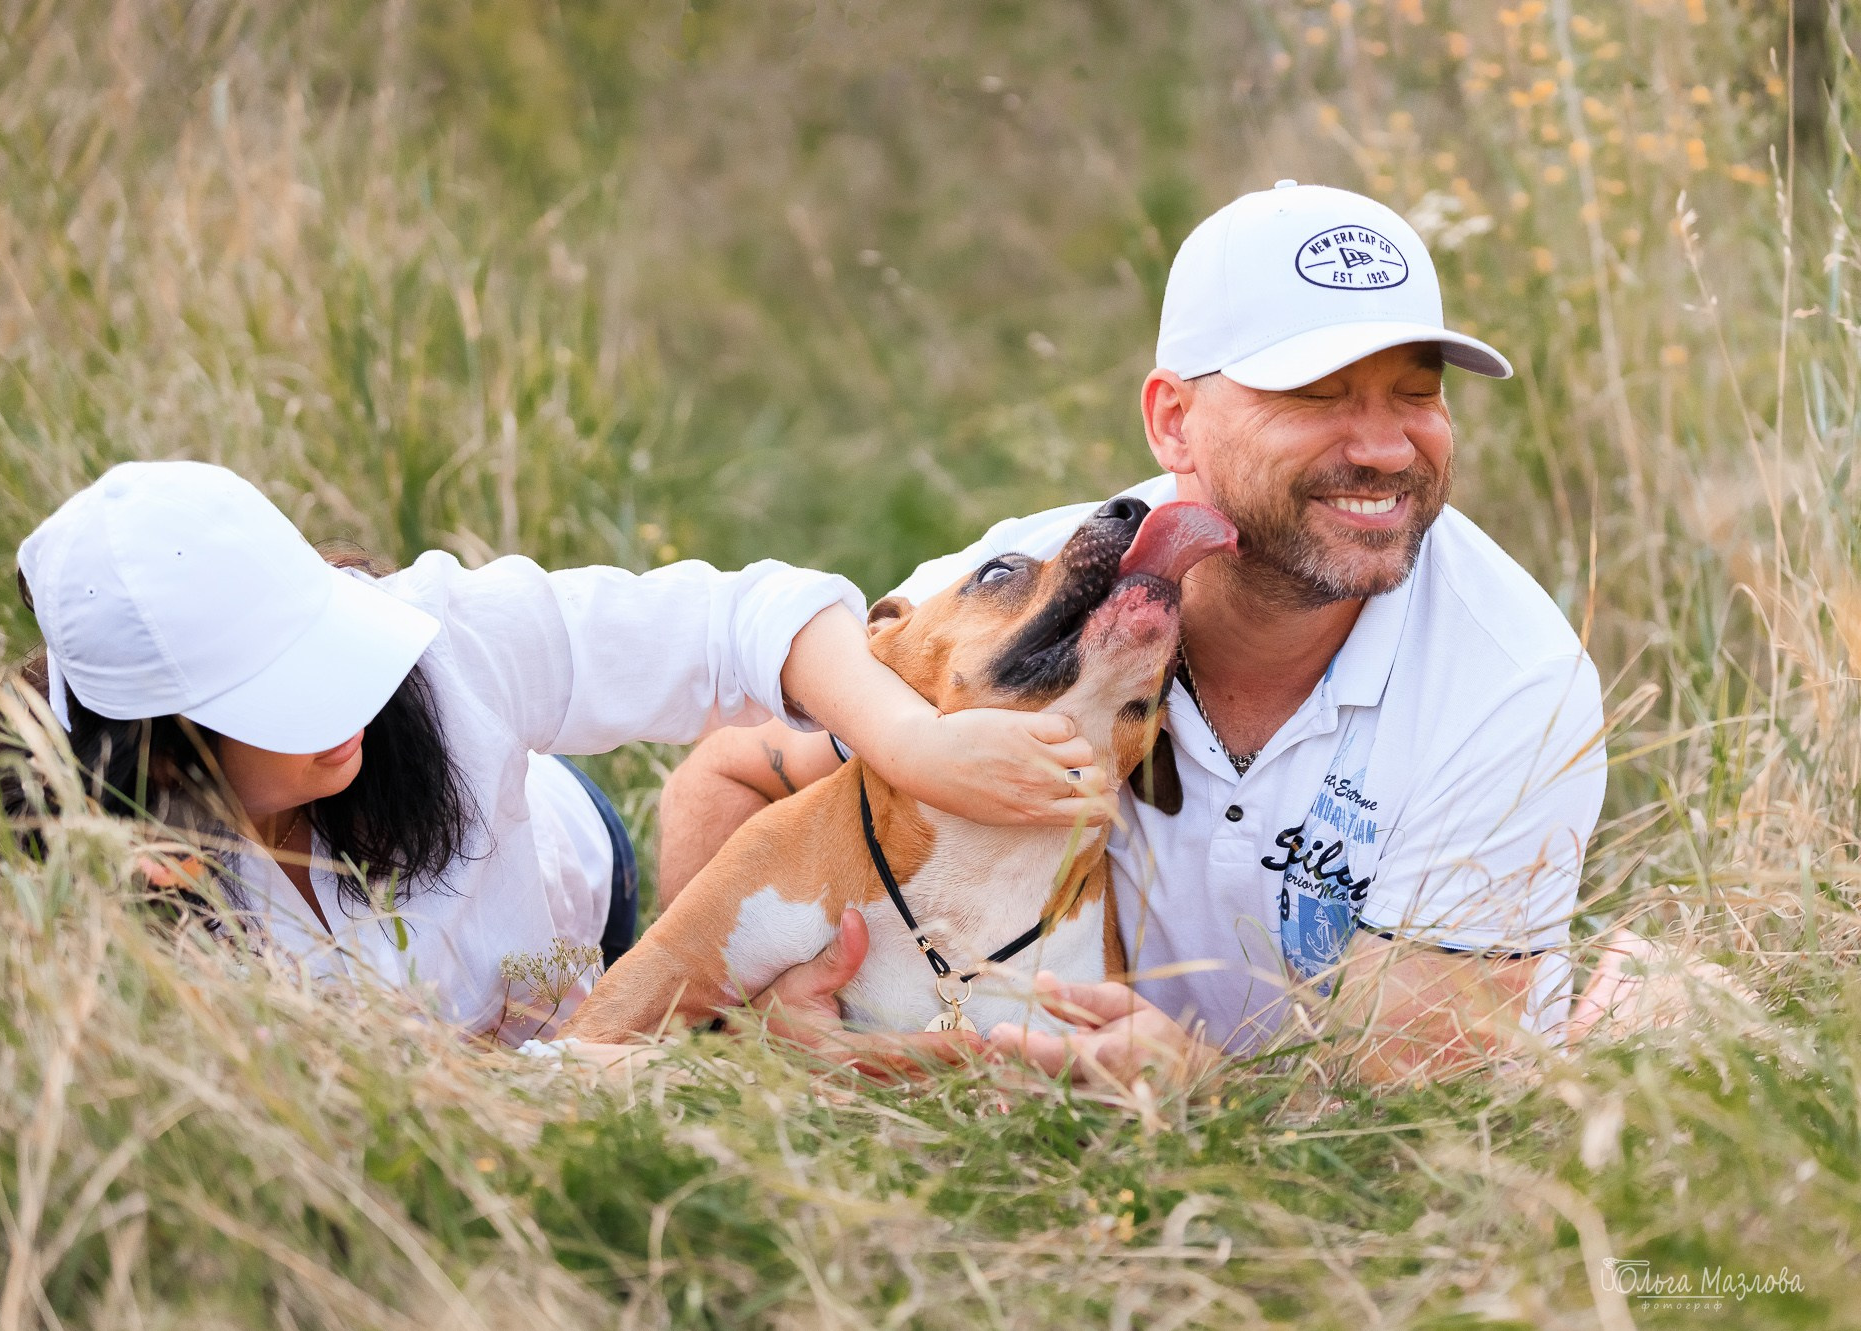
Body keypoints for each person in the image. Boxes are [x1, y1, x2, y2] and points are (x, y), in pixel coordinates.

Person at [661, 182, 1609, 1084]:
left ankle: (1623, 1014)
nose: (1384, 446)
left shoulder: (1509, 682)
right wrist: (750, 1026)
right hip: (1025, 1163)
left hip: (1288, 1197)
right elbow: (735, 773)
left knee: (1608, 1039)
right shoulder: (1021, 599)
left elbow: (1412, 1122)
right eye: (1317, 395)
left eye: (1417, 392)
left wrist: (1201, 1091)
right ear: (1173, 421)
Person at [0, 460, 1102, 1053]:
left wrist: (912, 742)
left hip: (572, 876)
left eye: (328, 653)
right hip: (505, 1056)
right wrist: (619, 1061)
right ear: (157, 755)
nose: (344, 712)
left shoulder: (445, 644)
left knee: (757, 792)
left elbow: (741, 618)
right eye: (278, 705)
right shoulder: (119, 915)